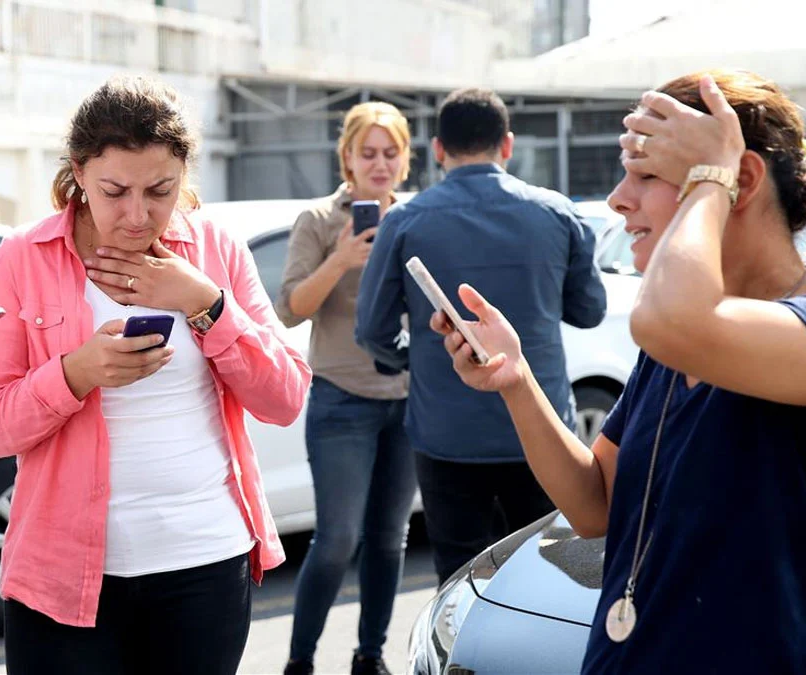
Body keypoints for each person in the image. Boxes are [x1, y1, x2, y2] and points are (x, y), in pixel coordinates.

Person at [431, 69, 806, 673]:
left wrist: (713, 176)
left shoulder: (776, 330)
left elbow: (671, 320)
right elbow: (594, 506)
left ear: (744, 179)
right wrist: (517, 380)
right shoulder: (674, 345)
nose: (617, 198)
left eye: (648, 173)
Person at [0, 75, 311, 675]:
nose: (137, 214)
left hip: (205, 561)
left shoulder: (216, 251)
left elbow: (284, 399)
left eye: (160, 190)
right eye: (114, 190)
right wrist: (74, 373)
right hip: (61, 575)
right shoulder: (23, 257)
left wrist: (204, 301)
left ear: (184, 175)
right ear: (78, 172)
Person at [354, 87, 607, 583]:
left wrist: (417, 359)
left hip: (446, 434)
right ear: (507, 145)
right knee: (550, 579)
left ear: (439, 149)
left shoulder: (405, 220)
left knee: (460, 580)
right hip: (542, 430)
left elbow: (372, 331)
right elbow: (589, 311)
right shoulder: (557, 213)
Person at [275, 102, 416, 675]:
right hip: (340, 402)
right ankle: (300, 661)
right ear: (347, 159)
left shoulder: (415, 218)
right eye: (368, 153)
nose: (380, 164)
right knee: (336, 540)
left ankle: (370, 656)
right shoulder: (317, 220)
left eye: (390, 153)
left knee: (389, 541)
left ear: (405, 160)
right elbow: (289, 310)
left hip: (406, 402)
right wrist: (341, 258)